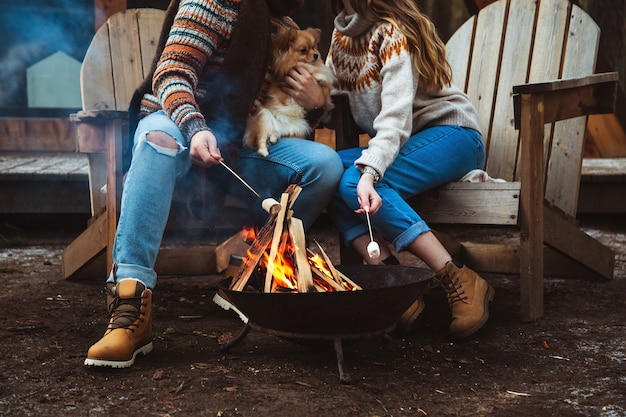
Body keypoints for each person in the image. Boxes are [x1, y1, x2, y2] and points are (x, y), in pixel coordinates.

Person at [84, 0, 343, 368]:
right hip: (178, 122)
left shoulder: (283, 26)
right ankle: (131, 303)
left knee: (325, 165)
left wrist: (316, 104)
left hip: (235, 145)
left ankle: (255, 273)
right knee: (158, 139)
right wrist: (196, 127)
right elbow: (172, 73)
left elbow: (285, 108)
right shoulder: (210, 4)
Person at [325, 0, 495, 339]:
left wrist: (370, 173)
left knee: (352, 180)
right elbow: (325, 99)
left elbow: (395, 119)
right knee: (325, 174)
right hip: (406, 145)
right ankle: (391, 283)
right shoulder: (341, 39)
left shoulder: (392, 32)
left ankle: (459, 278)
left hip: (453, 137)